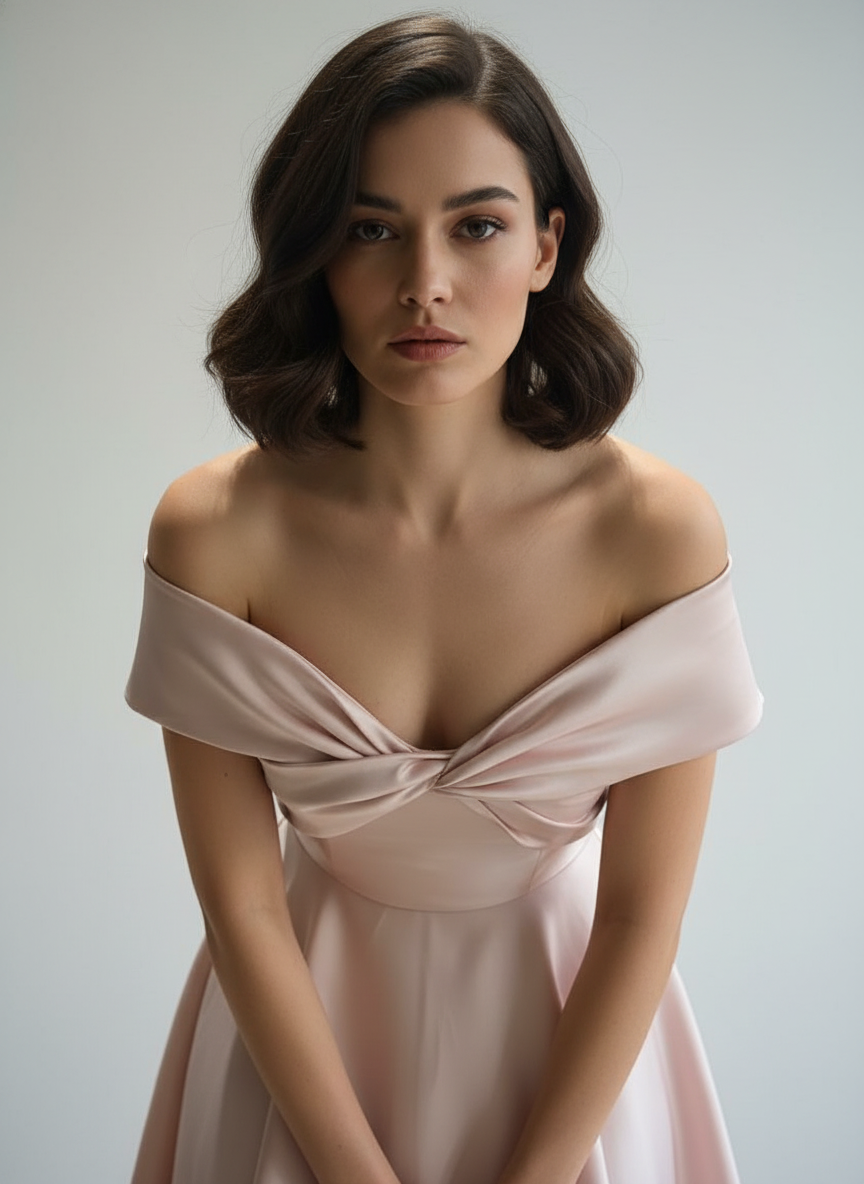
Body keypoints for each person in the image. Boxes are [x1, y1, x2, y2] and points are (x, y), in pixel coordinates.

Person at [124, 12, 763, 1184]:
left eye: (477, 225)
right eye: (373, 229)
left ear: (547, 246)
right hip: (295, 1054)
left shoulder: (654, 530)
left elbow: (637, 919)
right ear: (316, 251)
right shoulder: (216, 530)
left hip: (576, 1060)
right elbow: (242, 906)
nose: (426, 284)